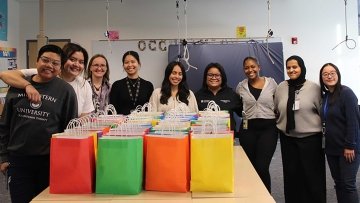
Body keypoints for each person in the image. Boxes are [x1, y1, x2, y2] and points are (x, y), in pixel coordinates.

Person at [0, 44, 78, 203]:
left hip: (49, 161)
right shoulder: (17, 87)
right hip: (18, 160)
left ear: (60, 67)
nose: (49, 65)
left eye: (55, 63)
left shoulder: (66, 91)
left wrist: (66, 162)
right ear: (36, 61)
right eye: (45, 60)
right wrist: (3, 157)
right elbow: (5, 124)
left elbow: (70, 129)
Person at [274, 55, 326, 203]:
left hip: (311, 140)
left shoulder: (314, 88)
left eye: (295, 67)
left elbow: (323, 112)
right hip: (287, 140)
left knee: (312, 177)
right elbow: (277, 108)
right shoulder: (281, 87)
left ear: (301, 68)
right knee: (291, 176)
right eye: (288, 67)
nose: (291, 70)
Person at [0, 42, 94, 117]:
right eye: (72, 59)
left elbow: (85, 115)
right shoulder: (45, 73)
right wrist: (28, 85)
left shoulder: (84, 84)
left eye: (81, 62)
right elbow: (5, 74)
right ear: (63, 60)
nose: (76, 64)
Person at [235, 56, 278, 192]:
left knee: (262, 166)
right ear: (244, 70)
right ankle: (252, 196)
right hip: (248, 129)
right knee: (250, 166)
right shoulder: (240, 86)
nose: (250, 69)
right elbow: (238, 106)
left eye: (253, 66)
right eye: (246, 67)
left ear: (259, 67)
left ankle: (266, 197)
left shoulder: (271, 83)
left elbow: (279, 103)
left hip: (268, 129)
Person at [319, 63, 360, 203]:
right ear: (321, 77)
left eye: (332, 72)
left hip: (347, 148)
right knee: (338, 184)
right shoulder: (326, 96)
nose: (329, 76)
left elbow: (353, 122)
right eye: (325, 74)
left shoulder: (346, 93)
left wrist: (350, 145)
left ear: (338, 74)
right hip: (331, 148)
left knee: (348, 185)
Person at [195, 62, 242, 134]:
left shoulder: (232, 94)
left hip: (227, 139)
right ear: (205, 77)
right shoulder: (197, 96)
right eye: (210, 75)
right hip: (204, 138)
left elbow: (243, 113)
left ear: (222, 77)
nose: (214, 78)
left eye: (217, 75)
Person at [109, 51, 154, 115]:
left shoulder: (148, 85)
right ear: (123, 65)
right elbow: (112, 110)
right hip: (122, 123)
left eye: (133, 62)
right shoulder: (117, 85)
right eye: (126, 62)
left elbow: (150, 109)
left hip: (143, 123)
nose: (130, 65)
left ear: (139, 63)